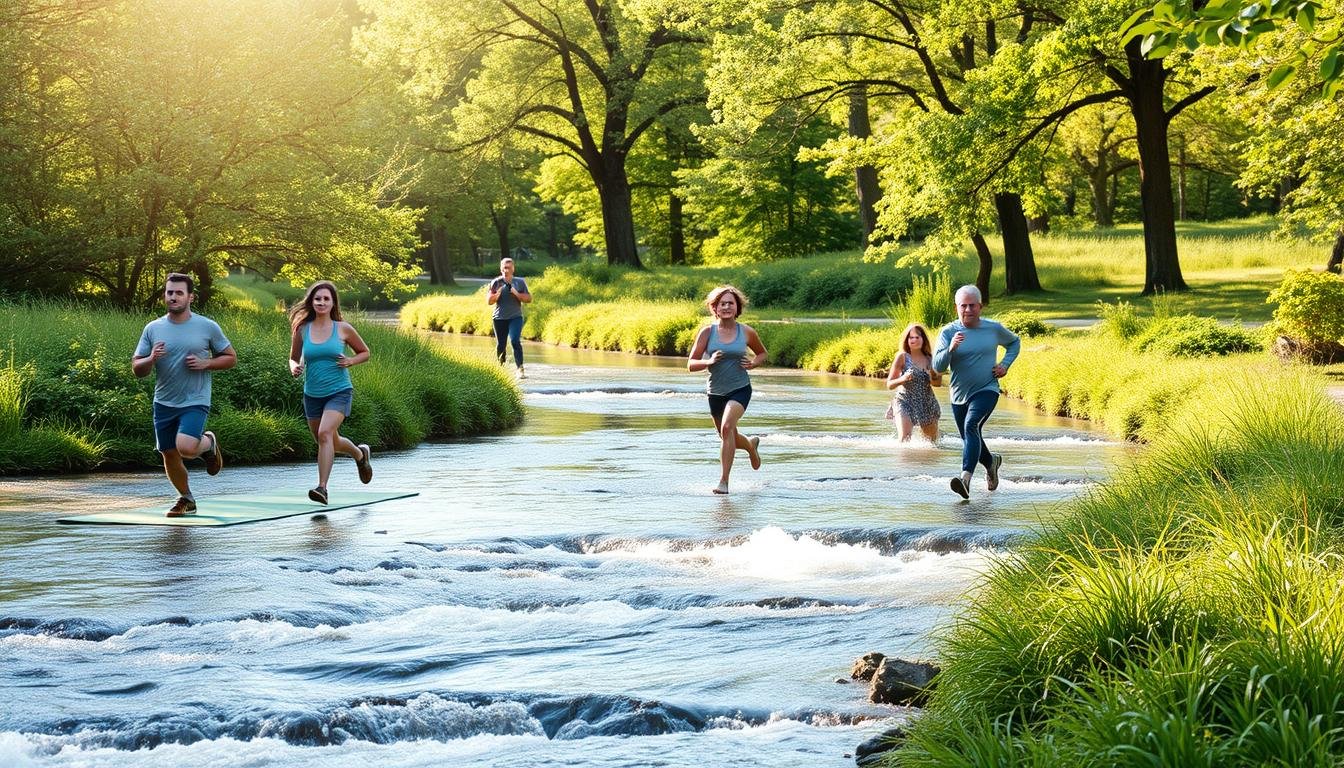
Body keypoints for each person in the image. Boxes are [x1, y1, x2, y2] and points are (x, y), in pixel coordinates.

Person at [132, 273, 236, 517]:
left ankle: (208, 443)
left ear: (191, 297)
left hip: (195, 400)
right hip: (164, 401)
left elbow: (230, 358)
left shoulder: (207, 326)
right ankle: (186, 498)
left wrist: (205, 363)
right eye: (169, 292)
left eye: (179, 293)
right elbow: (138, 369)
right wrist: (151, 359)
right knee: (169, 453)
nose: (173, 297)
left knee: (186, 448)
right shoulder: (153, 328)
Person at [288, 281, 373, 505]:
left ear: (333, 302)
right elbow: (293, 357)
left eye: (326, 299)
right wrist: (293, 367)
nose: (322, 302)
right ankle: (359, 454)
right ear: (311, 302)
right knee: (328, 440)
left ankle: (322, 488)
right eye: (317, 299)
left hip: (339, 391)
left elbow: (365, 352)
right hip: (312, 394)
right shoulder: (302, 329)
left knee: (325, 434)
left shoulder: (342, 328)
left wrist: (351, 361)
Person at [932, 284, 1020, 500]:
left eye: (972, 305)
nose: (968, 310)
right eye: (964, 306)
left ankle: (965, 480)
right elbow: (938, 366)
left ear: (980, 306)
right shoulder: (948, 332)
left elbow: (1014, 342)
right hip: (958, 394)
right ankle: (991, 463)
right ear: (956, 308)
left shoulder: (993, 328)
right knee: (971, 437)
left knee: (971, 425)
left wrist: (1005, 364)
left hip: (987, 388)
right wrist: (950, 348)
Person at [687, 285, 767, 495]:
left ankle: (723, 481)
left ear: (737, 307)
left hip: (740, 388)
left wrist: (753, 364)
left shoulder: (747, 331)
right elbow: (690, 364)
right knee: (727, 435)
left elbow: (761, 353)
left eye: (730, 303)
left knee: (727, 427)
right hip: (715, 392)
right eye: (722, 303)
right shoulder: (707, 332)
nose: (726, 307)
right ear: (715, 308)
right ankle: (750, 445)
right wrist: (709, 361)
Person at [886, 323, 942, 442]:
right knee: (904, 439)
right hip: (904, 401)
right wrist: (903, 378)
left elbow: (937, 384)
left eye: (918, 337)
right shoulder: (902, 357)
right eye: (911, 337)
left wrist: (932, 374)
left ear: (923, 339)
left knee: (931, 443)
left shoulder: (931, 359)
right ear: (907, 340)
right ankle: (904, 460)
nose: (914, 340)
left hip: (927, 403)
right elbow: (889, 384)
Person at [487, 257, 532, 379]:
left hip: (515, 317)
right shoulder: (496, 282)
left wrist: (516, 293)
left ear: (513, 269)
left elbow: (529, 299)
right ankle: (501, 370)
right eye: (504, 268)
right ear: (501, 269)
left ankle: (520, 369)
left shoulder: (519, 282)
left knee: (514, 341)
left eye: (509, 268)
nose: (506, 270)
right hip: (499, 318)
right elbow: (489, 301)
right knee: (501, 344)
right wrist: (498, 294)